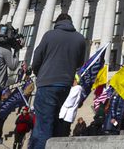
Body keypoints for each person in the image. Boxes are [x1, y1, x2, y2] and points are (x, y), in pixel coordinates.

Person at [29, 13, 86, 149]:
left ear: (57, 22)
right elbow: (80, 62)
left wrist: (38, 73)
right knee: (54, 121)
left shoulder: (50, 35)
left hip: (47, 83)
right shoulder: (80, 38)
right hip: (65, 85)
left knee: (43, 125)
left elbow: (36, 59)